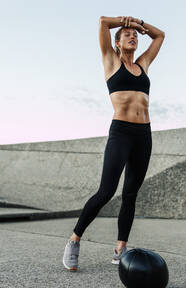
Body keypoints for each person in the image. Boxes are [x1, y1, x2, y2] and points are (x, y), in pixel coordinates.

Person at [63, 16, 165, 271]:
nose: (133, 37)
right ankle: (74, 240)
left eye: (136, 35)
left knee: (130, 194)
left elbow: (160, 35)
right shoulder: (111, 61)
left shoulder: (143, 64)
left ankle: (121, 248)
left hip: (144, 134)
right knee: (106, 191)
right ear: (118, 43)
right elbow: (102, 22)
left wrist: (141, 25)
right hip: (121, 132)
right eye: (127, 34)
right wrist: (125, 20)